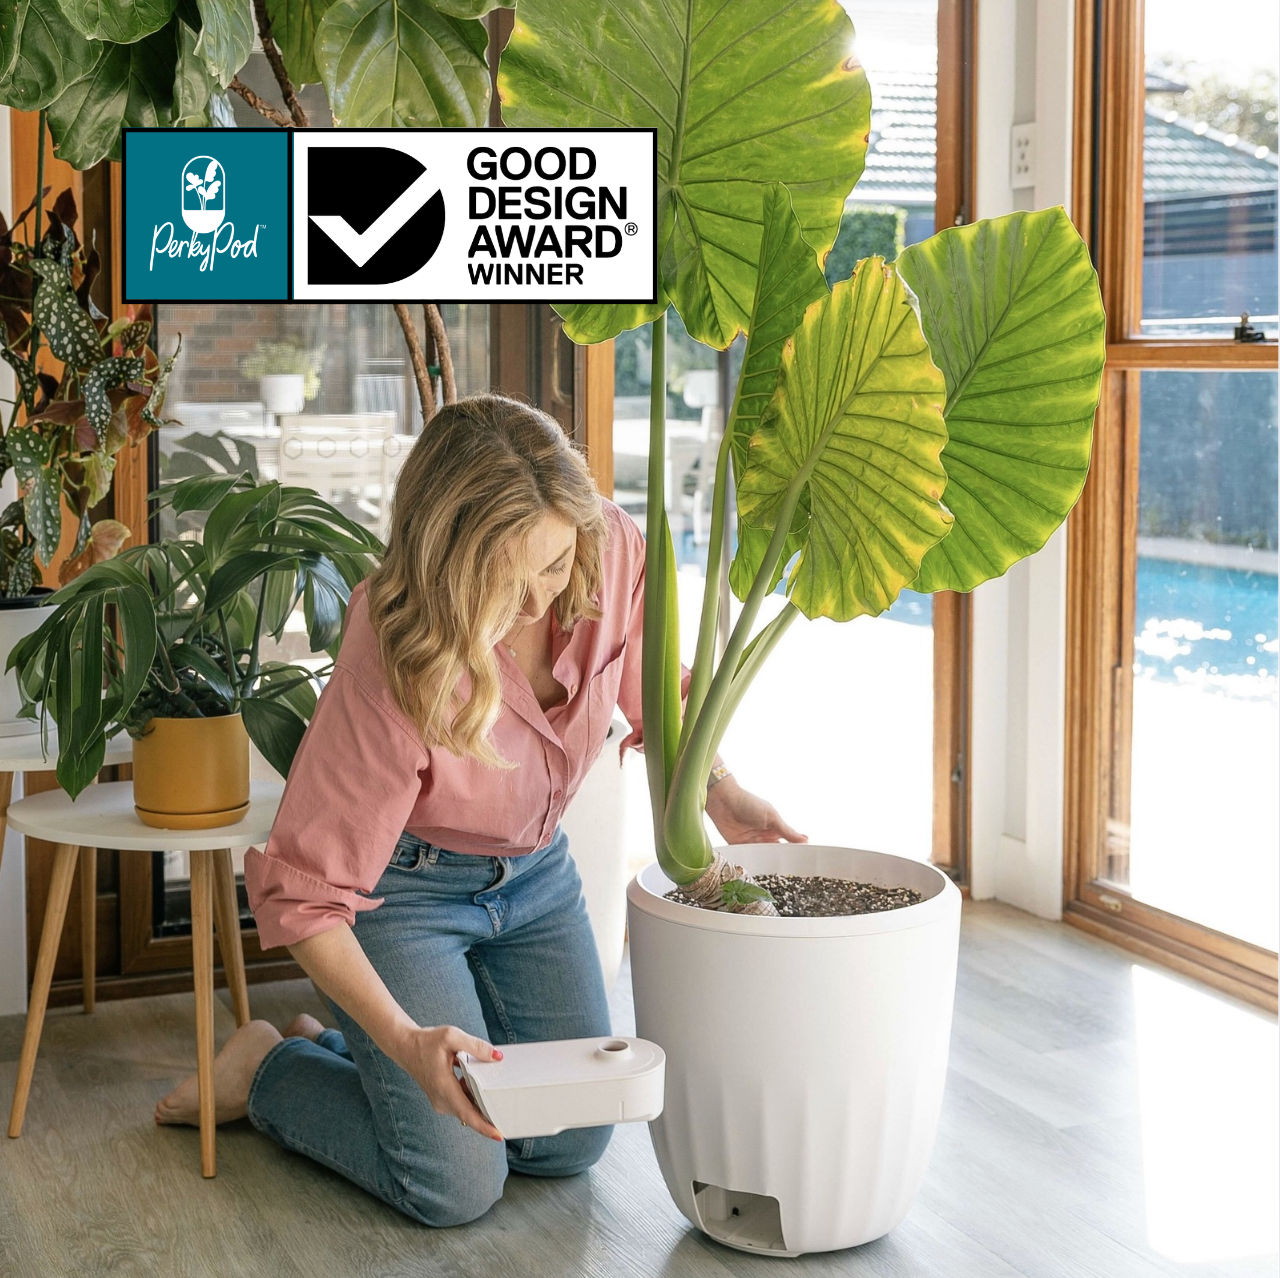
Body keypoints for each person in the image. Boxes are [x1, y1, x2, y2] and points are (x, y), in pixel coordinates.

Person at [154, 393, 806, 1226]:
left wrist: (719, 791)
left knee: (568, 1139)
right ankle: (273, 1068)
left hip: (535, 878)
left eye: (555, 562)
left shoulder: (607, 547)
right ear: (452, 561)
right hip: (405, 894)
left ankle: (336, 1047)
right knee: (455, 1184)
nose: (541, 599)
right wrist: (406, 1043)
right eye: (511, 575)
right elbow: (305, 897)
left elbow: (653, 695)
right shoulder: (393, 644)